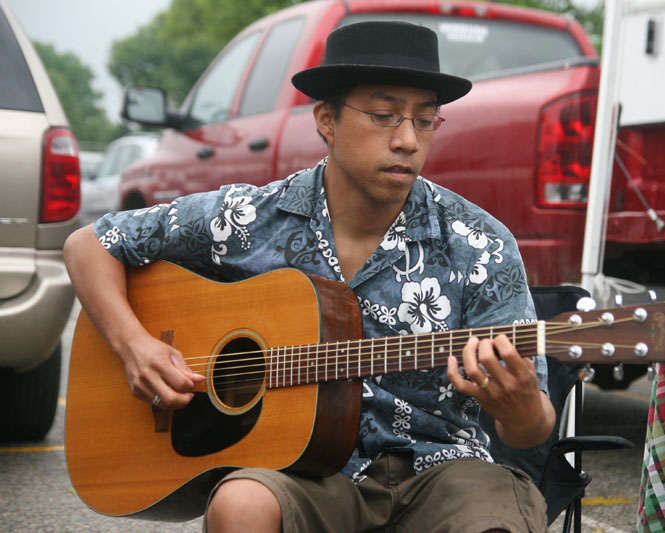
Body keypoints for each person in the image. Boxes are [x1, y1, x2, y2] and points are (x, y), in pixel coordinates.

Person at [64, 21, 555, 532]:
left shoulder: (479, 242)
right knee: (240, 505)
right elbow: (89, 245)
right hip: (303, 476)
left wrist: (519, 408)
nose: (408, 140)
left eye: (425, 121)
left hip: (443, 473)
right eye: (384, 116)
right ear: (327, 120)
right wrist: (135, 347)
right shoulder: (250, 217)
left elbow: (531, 429)